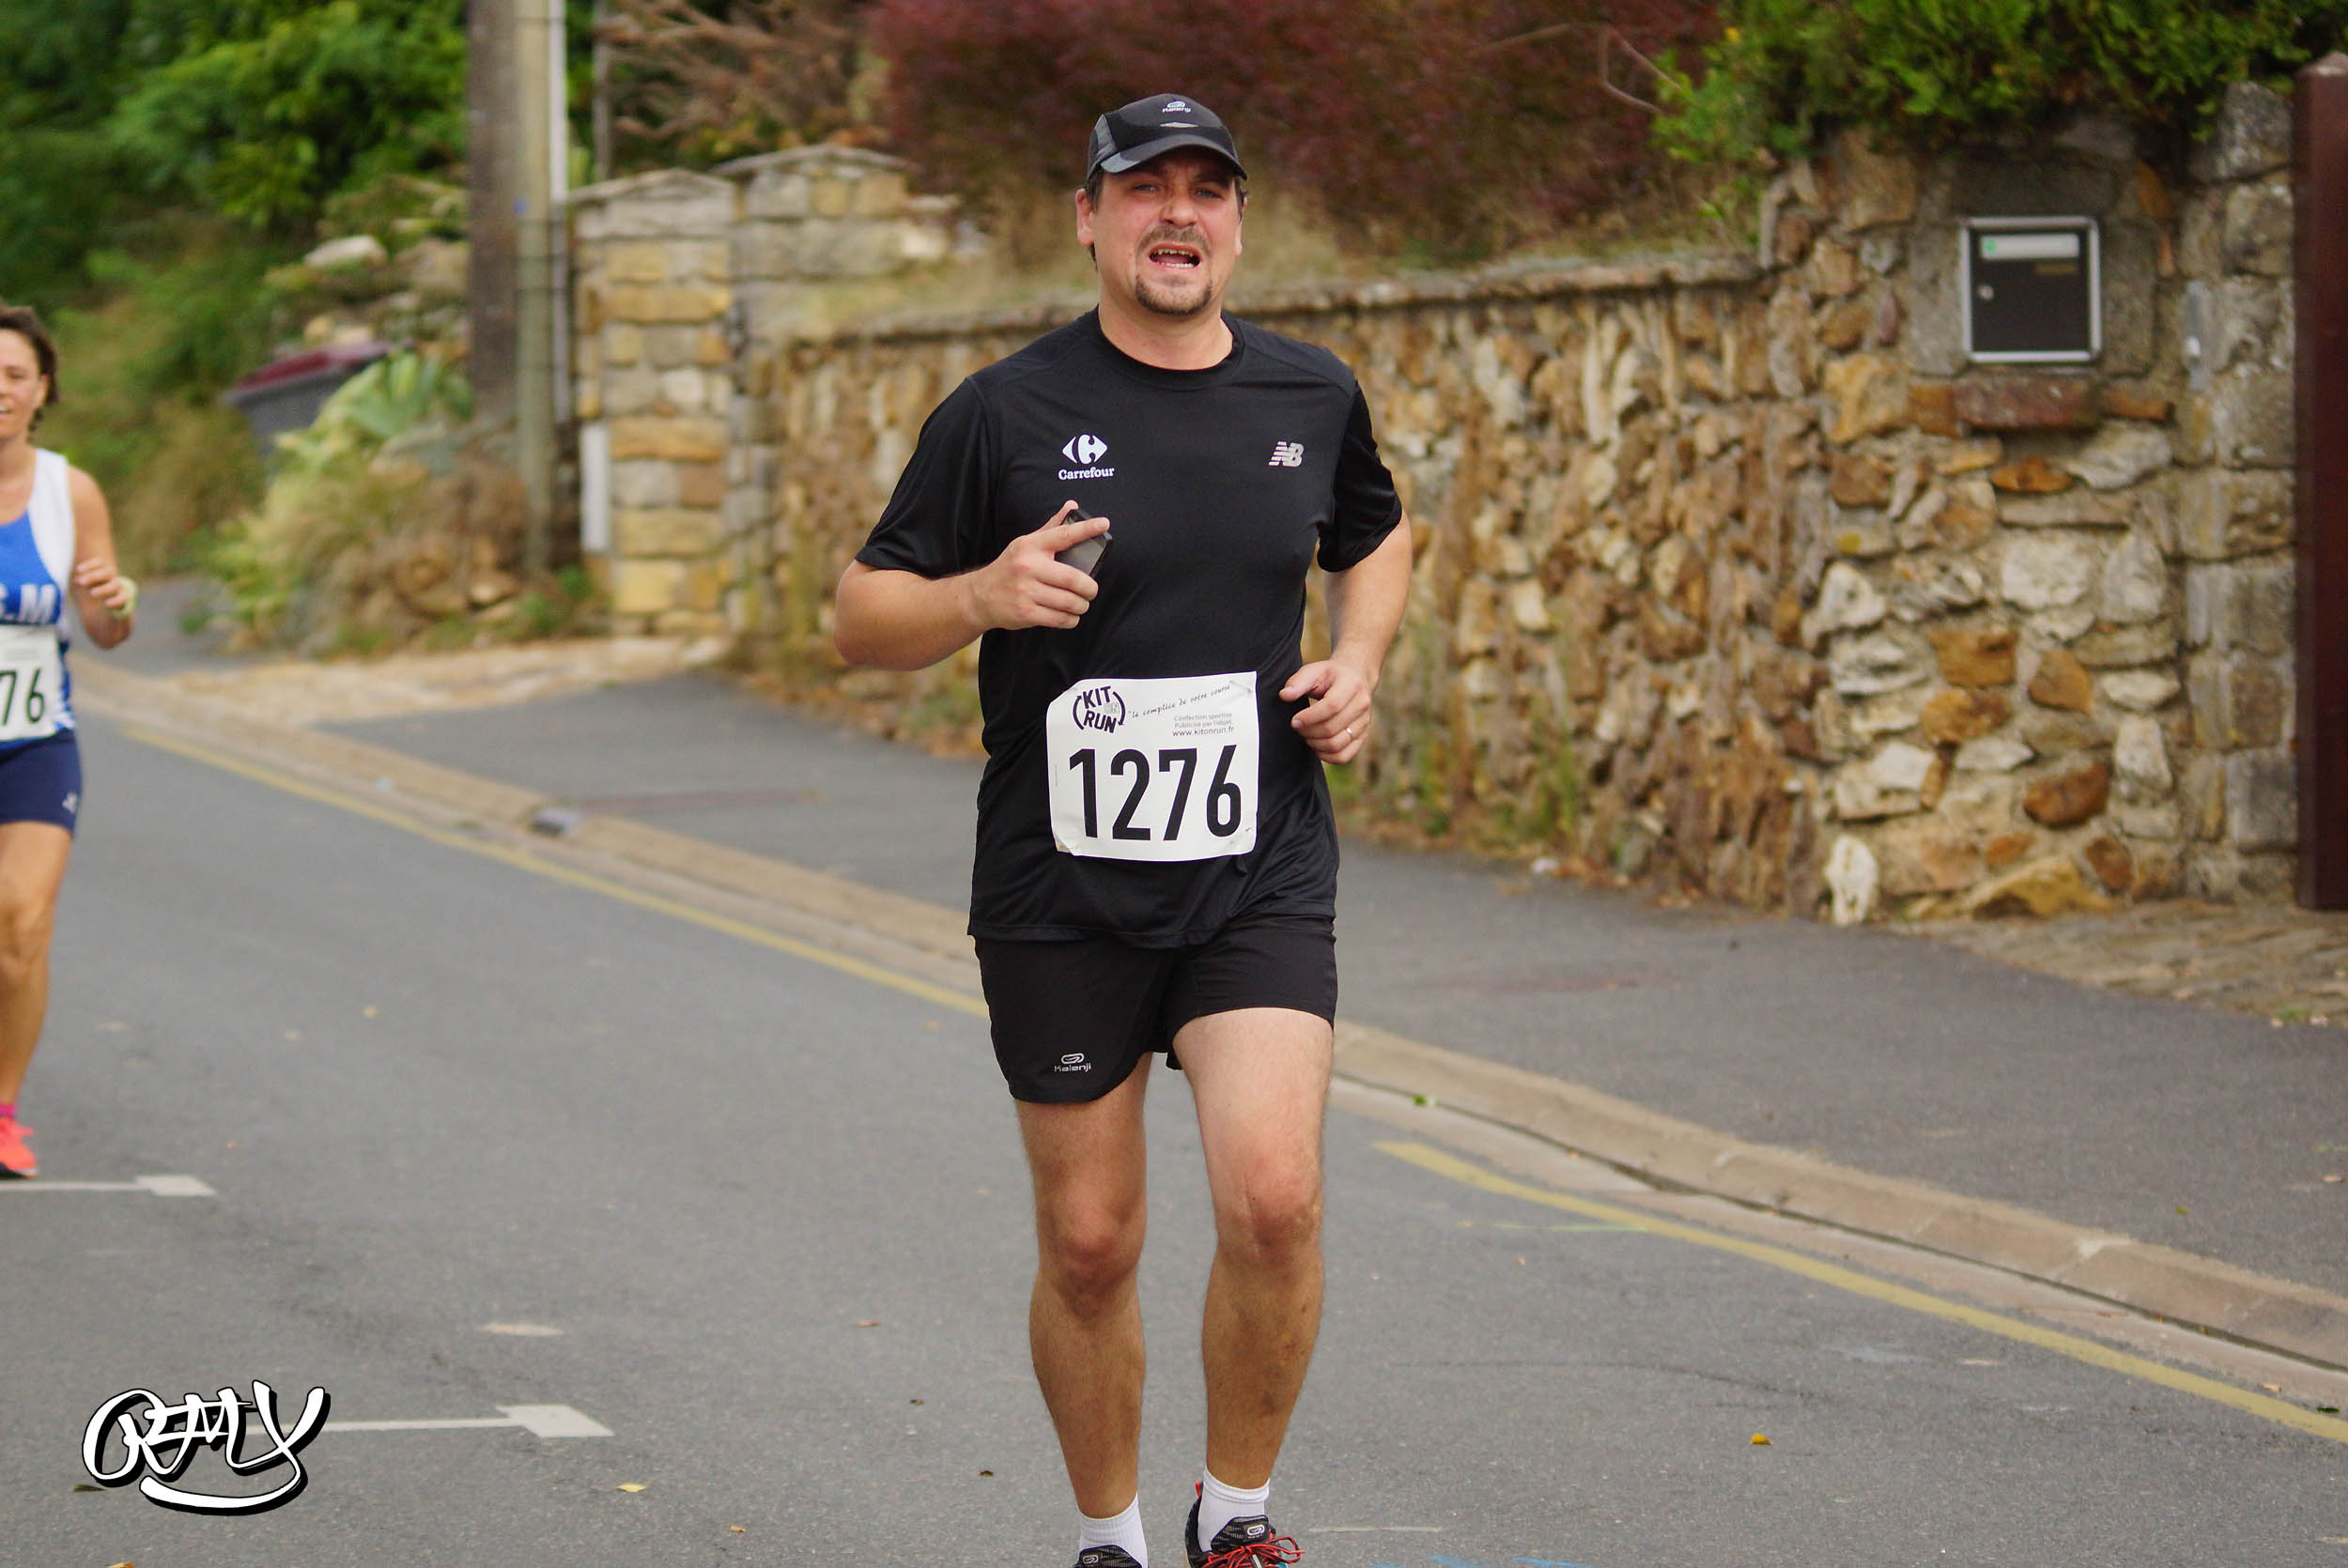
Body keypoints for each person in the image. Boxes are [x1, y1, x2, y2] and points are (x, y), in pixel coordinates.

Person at [835, 95, 1413, 1568]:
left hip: (1256, 867)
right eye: (1146, 189)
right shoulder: (1002, 413)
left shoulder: (1309, 395)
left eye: (1207, 190)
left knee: (1274, 1197)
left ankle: (1236, 1513)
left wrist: (1357, 663)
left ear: (1237, 225)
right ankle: (1112, 1536)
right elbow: (859, 616)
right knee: (1091, 1244)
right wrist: (977, 595)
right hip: (1061, 887)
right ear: (1089, 218)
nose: (1179, 215)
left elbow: (1376, 533)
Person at [0, 304, 138, 1178]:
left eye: (14, 375)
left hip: (33, 739)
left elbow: (105, 627)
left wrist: (116, 602)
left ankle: (1, 1111)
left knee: (22, 926)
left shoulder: (70, 492)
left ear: (42, 390)